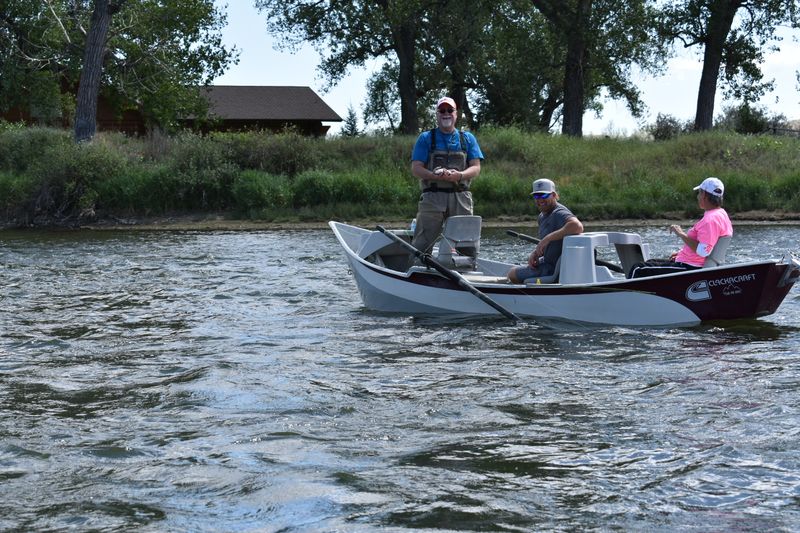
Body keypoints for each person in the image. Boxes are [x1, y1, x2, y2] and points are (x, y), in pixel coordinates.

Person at [410, 96, 484, 255]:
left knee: (465, 243)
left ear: (456, 114)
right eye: (442, 110)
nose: (446, 113)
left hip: (461, 197)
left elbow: (476, 168)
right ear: (436, 114)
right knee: (423, 242)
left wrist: (459, 175)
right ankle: (418, 271)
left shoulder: (468, 139)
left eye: (450, 110)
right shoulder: (425, 138)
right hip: (433, 198)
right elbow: (416, 169)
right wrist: (435, 176)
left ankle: (463, 272)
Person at [629, 177, 733, 278]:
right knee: (649, 263)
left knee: (637, 269)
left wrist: (681, 234)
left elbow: (703, 251)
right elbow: (707, 245)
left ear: (704, 195)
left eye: (699, 193)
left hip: (690, 267)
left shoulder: (710, 220)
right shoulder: (721, 214)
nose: (697, 197)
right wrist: (681, 253)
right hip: (690, 263)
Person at [507, 179, 584, 283]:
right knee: (517, 267)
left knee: (512, 273)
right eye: (536, 196)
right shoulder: (542, 216)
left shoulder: (559, 212)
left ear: (553, 195)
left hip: (552, 269)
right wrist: (535, 252)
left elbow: (577, 226)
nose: (540, 200)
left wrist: (547, 238)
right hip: (546, 263)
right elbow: (548, 243)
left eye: (543, 195)